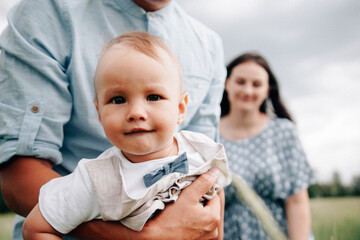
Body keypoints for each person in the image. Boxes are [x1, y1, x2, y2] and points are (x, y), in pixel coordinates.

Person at [0, 0, 226, 239]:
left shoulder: (209, 44)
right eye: (118, 99)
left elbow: (209, 187)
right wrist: (142, 237)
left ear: (181, 106)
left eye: (155, 96)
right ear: (98, 111)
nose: (137, 113)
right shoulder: (48, 12)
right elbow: (19, 180)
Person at [219, 52, 316, 239]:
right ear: (226, 84)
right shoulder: (210, 135)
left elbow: (297, 201)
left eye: (256, 84)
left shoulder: (283, 132)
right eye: (240, 82)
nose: (247, 90)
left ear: (267, 90)